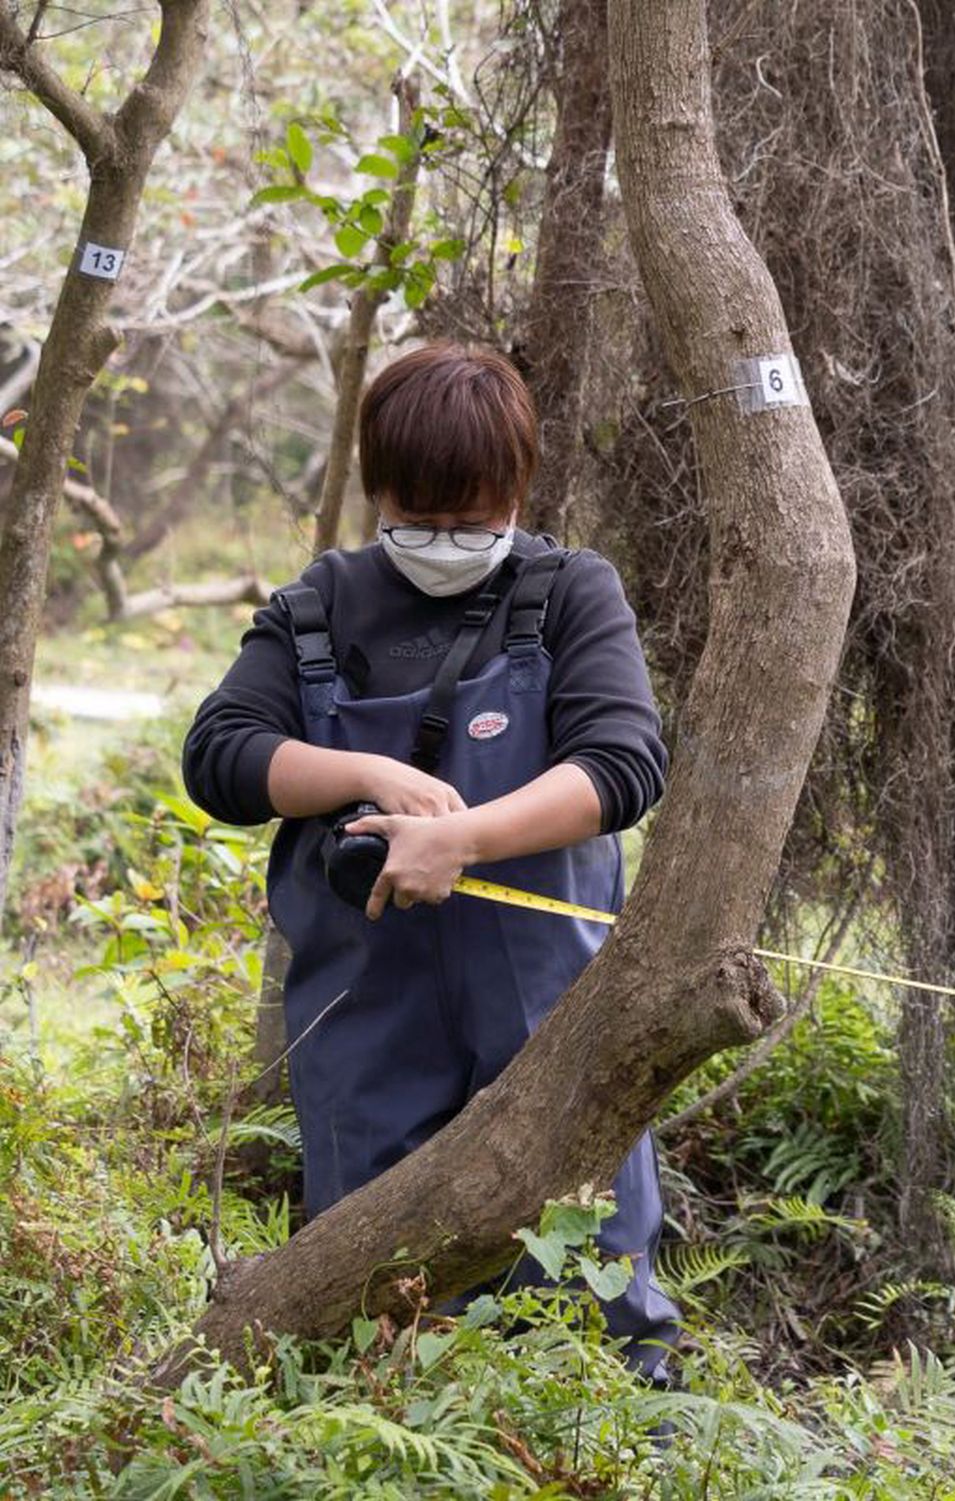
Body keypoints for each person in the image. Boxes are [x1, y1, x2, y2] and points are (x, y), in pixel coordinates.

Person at [183, 342, 680, 1376]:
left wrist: (465, 836)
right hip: (368, 1027)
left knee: (592, 1297)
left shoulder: (569, 593)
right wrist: (364, 771)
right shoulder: (321, 606)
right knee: (380, 1311)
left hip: (550, 1019)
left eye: (474, 521)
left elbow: (623, 764)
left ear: (518, 493)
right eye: (420, 518)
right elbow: (220, 757)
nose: (446, 542)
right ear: (378, 490)